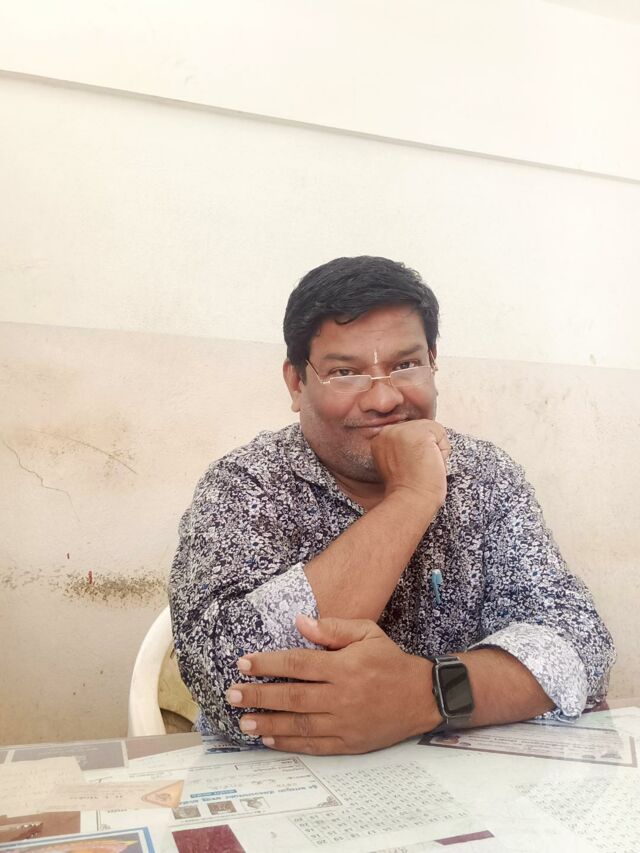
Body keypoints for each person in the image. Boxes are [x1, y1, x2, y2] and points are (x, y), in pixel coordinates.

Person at [168, 255, 615, 755]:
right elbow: (228, 684)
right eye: (345, 372)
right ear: (296, 383)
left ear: (433, 362)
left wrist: (427, 694)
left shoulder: (484, 473)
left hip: (463, 780)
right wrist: (411, 499)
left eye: (405, 365)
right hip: (280, 779)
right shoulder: (247, 484)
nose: (383, 400)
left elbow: (579, 642)